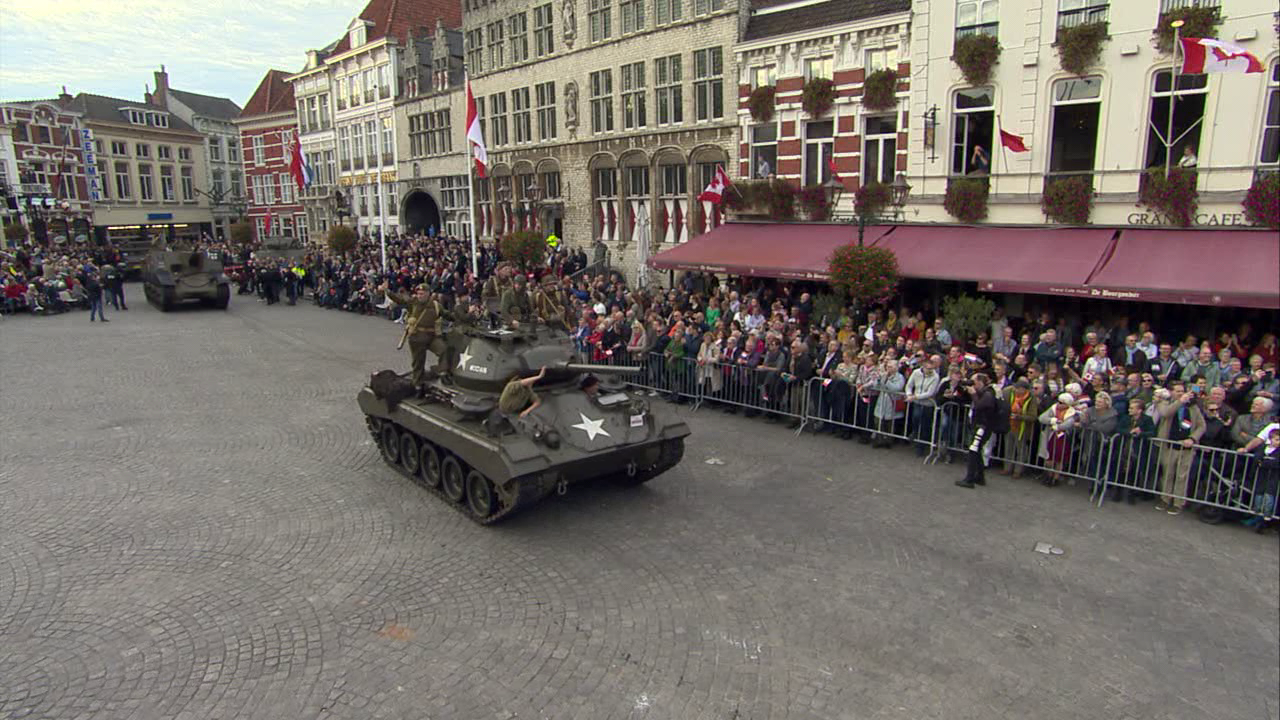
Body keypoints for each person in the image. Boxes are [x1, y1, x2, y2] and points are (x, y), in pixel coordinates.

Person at [381, 282, 450, 387]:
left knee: (443, 350)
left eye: (422, 293)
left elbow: (448, 315)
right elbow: (400, 300)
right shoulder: (413, 302)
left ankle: (443, 372)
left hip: (432, 337)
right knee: (418, 363)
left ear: (428, 293)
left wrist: (467, 317)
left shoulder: (436, 305)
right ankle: (417, 385)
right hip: (417, 337)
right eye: (418, 293)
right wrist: (388, 291)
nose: (419, 296)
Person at [956, 373, 996, 488]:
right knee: (976, 450)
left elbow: (979, 405)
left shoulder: (989, 394)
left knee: (973, 450)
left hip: (983, 426)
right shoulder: (983, 393)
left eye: (973, 381)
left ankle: (969, 479)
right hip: (979, 425)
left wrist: (973, 394)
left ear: (979, 382)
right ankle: (980, 477)